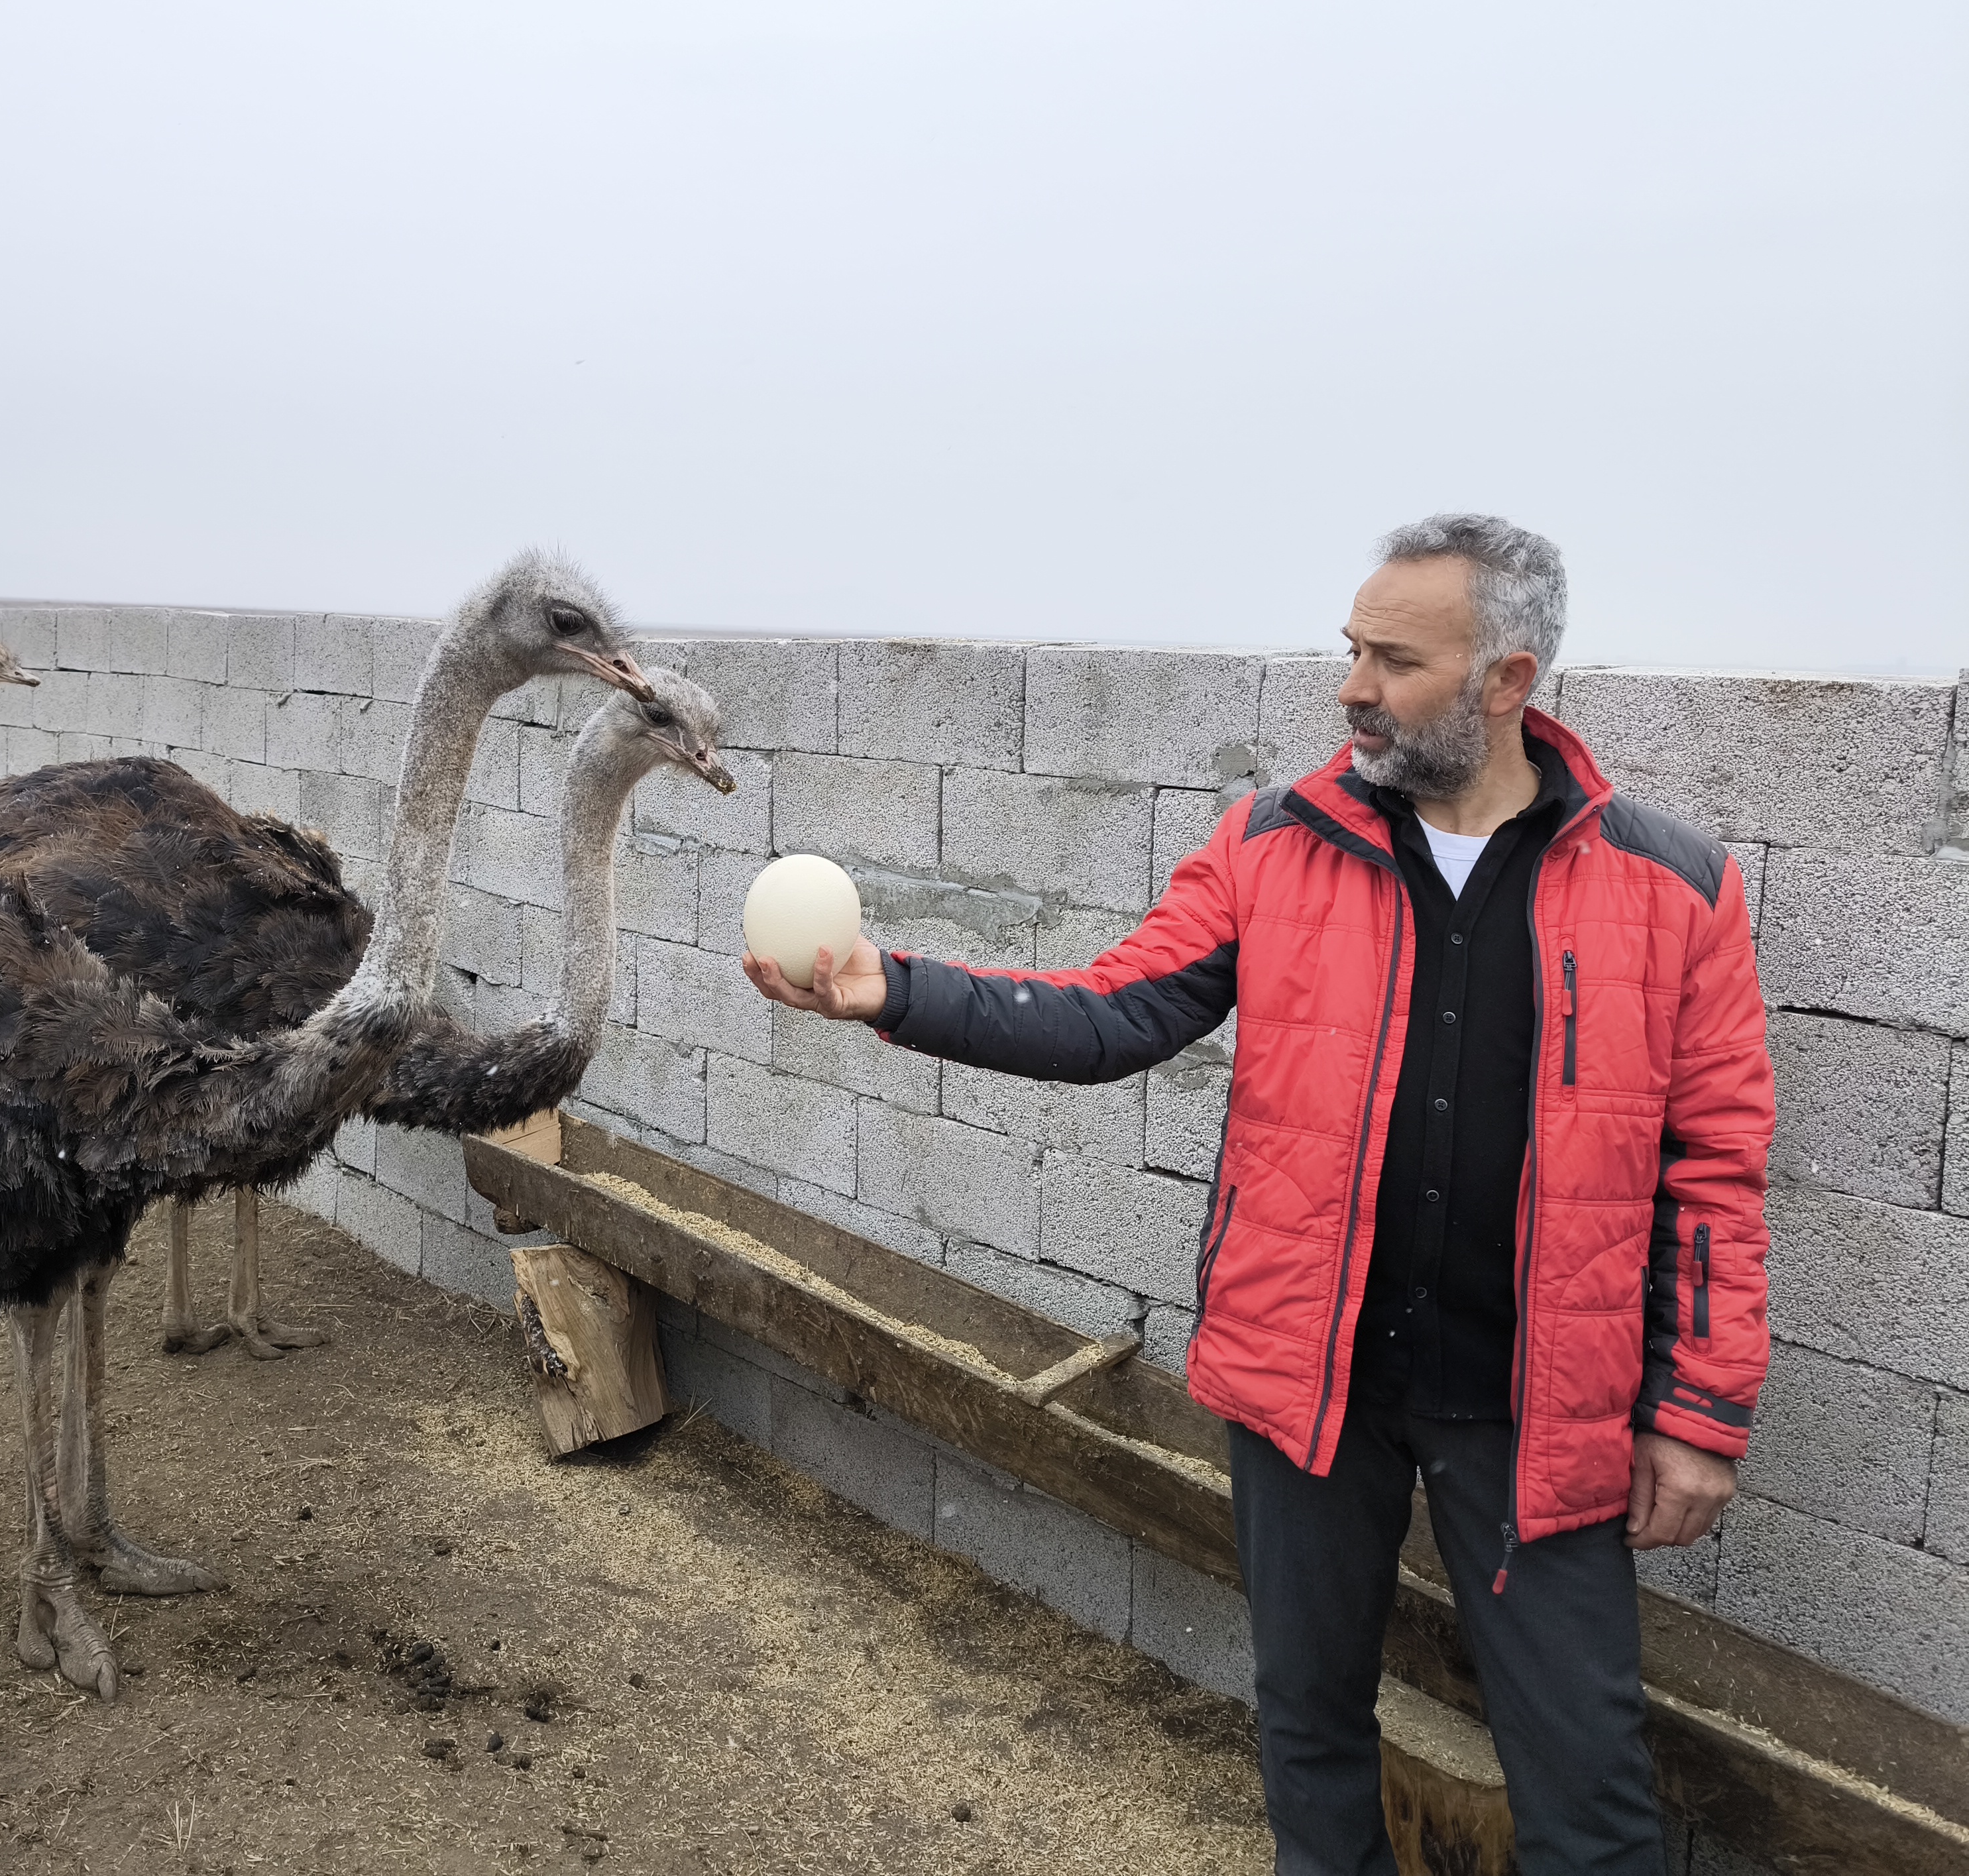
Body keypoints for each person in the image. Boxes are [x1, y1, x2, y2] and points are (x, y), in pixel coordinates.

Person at [743, 516, 1772, 1875]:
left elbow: (1713, 1168)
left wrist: (1696, 1412)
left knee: (1588, 1795)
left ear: (1506, 680)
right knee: (1306, 1727)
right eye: (1349, 649)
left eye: (1392, 660)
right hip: (1306, 1384)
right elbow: (1112, 1015)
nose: (1350, 685)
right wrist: (901, 992)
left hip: (1541, 1407)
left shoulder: (1672, 884)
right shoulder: (1273, 844)